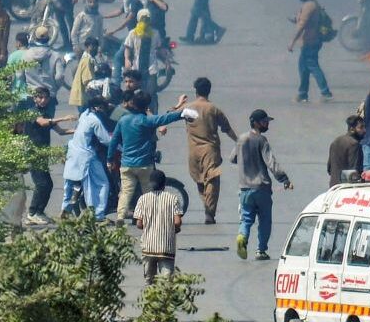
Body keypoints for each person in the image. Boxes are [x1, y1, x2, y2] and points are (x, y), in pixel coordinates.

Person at [109, 90, 190, 220]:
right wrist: (181, 114)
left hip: (126, 164)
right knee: (148, 192)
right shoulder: (147, 120)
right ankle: (149, 217)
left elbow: (113, 141)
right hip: (144, 164)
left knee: (125, 192)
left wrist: (109, 159)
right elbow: (165, 118)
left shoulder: (123, 121)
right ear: (147, 106)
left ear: (133, 104)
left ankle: (120, 217)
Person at [231, 109, 294, 260]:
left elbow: (232, 158)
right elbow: (271, 163)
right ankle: (261, 250)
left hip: (245, 189)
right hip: (262, 189)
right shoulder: (261, 140)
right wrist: (284, 179)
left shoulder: (241, 139)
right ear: (256, 123)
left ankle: (242, 237)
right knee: (265, 221)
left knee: (246, 219)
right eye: (265, 122)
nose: (267, 124)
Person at [184, 76, 239, 224]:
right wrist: (239, 141)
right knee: (212, 181)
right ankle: (210, 211)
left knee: (200, 180)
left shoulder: (188, 108)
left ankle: (207, 208)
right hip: (210, 150)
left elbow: (172, 115)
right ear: (209, 91)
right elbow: (227, 129)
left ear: (196, 91)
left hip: (193, 150)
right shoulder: (213, 109)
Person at [20, 86, 76, 225]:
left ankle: (39, 212)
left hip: (43, 154)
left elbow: (61, 132)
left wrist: (78, 130)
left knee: (48, 184)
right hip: (34, 154)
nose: (43, 100)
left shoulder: (45, 113)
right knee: (42, 184)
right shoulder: (32, 112)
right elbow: (43, 122)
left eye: (45, 97)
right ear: (35, 99)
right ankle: (32, 213)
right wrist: (63, 118)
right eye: (40, 97)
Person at [61, 95, 115, 220]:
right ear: (97, 108)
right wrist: (119, 142)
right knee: (100, 184)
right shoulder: (94, 120)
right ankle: (97, 215)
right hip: (86, 157)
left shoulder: (84, 115)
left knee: (69, 184)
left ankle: (65, 208)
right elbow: (106, 140)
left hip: (73, 152)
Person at [133, 169, 183, 284]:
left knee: (149, 282)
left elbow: (139, 224)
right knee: (166, 283)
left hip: (148, 247)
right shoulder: (172, 198)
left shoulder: (143, 199)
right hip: (166, 248)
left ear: (150, 184)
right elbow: (177, 222)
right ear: (164, 184)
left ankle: (148, 301)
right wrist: (173, 229)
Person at [288, 0, 332, 103]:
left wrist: (292, 41)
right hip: (310, 41)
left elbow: (302, 24)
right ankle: (302, 94)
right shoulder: (310, 4)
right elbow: (302, 20)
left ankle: (325, 92)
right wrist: (295, 19)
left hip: (310, 42)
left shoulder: (310, 5)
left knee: (312, 66)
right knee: (303, 68)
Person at [122, 9, 164, 112]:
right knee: (133, 92)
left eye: (147, 19)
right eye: (142, 19)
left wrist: (166, 60)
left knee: (151, 93)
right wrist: (127, 60)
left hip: (151, 68)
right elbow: (127, 48)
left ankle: (152, 113)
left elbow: (158, 49)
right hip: (137, 67)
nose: (144, 21)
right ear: (138, 19)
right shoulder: (133, 33)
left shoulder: (155, 33)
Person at [328, 114, 366, 187]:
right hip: (346, 188)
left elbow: (329, 169)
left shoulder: (335, 141)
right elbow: (354, 172)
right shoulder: (354, 144)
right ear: (352, 129)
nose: (364, 130)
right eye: (361, 128)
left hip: (333, 187)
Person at [68, 36, 102, 108]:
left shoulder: (90, 59)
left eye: (96, 47)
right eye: (93, 47)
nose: (95, 49)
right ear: (87, 47)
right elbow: (87, 81)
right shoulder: (87, 60)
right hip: (84, 97)